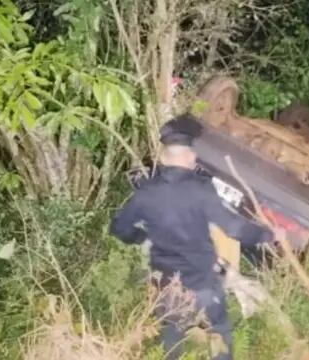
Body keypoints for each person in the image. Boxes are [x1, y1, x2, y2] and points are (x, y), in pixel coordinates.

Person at [109, 113, 280, 360]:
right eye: (192, 154)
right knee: (218, 330)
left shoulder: (146, 193)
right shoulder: (202, 190)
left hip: (166, 285)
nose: (194, 158)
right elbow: (234, 228)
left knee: (171, 339)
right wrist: (270, 234)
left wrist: (143, 238)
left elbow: (119, 228)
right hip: (203, 282)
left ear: (165, 157)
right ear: (187, 156)